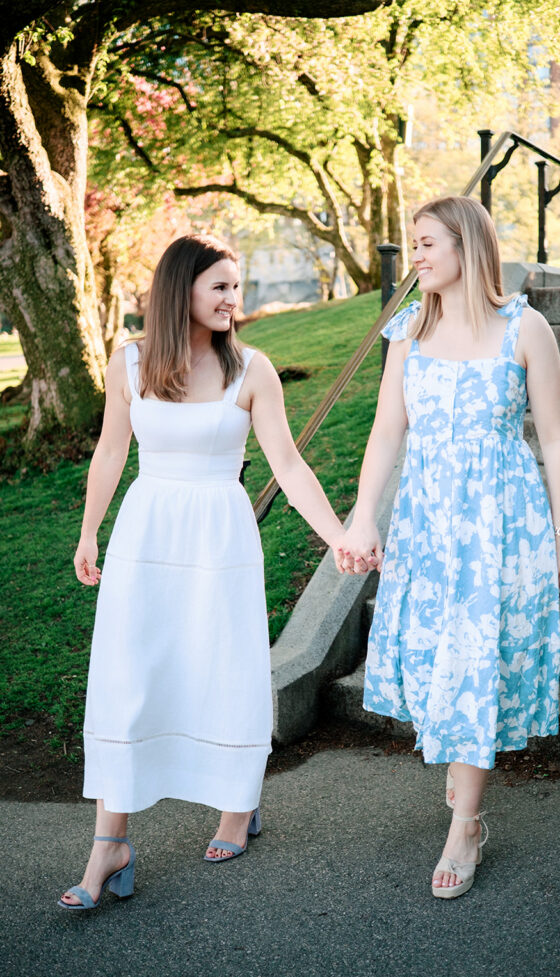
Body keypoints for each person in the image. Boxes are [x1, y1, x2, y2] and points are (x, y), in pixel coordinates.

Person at [60, 234, 346, 910]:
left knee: (219, 668)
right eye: (219, 286)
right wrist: (88, 530)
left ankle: (235, 806)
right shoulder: (129, 363)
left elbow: (289, 465)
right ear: (180, 289)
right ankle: (110, 844)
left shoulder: (252, 369)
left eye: (235, 286)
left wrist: (338, 537)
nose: (232, 298)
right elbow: (109, 450)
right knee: (131, 678)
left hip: (219, 537)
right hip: (146, 532)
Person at [341, 196, 560, 899]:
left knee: (478, 659)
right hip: (426, 523)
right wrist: (361, 517)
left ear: (467, 247)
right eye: (410, 244)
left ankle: (464, 826)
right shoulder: (407, 330)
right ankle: (461, 774)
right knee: (437, 653)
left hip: (504, 525)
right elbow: (387, 432)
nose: (413, 255)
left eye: (425, 243)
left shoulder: (524, 328)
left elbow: (556, 438)